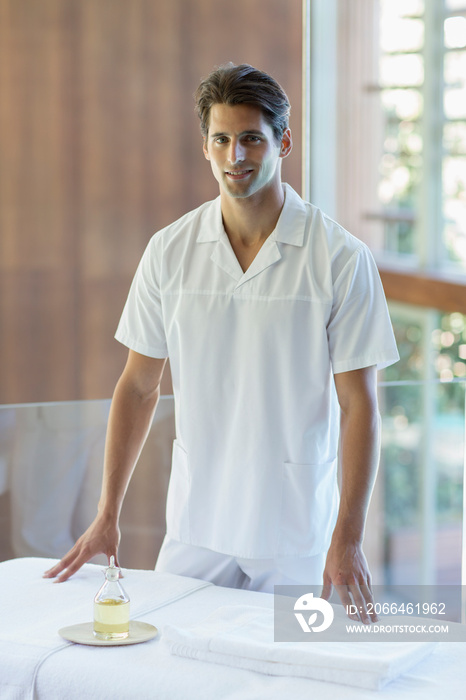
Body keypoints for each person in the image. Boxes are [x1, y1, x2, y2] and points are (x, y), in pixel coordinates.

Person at [44, 63, 399, 623]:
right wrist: (107, 511)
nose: (236, 156)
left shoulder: (340, 258)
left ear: (283, 142)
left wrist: (348, 537)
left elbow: (360, 406)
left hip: (295, 531)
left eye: (252, 138)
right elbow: (138, 385)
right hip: (197, 525)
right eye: (223, 140)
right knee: (169, 663)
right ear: (205, 147)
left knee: (287, 677)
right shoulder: (169, 250)